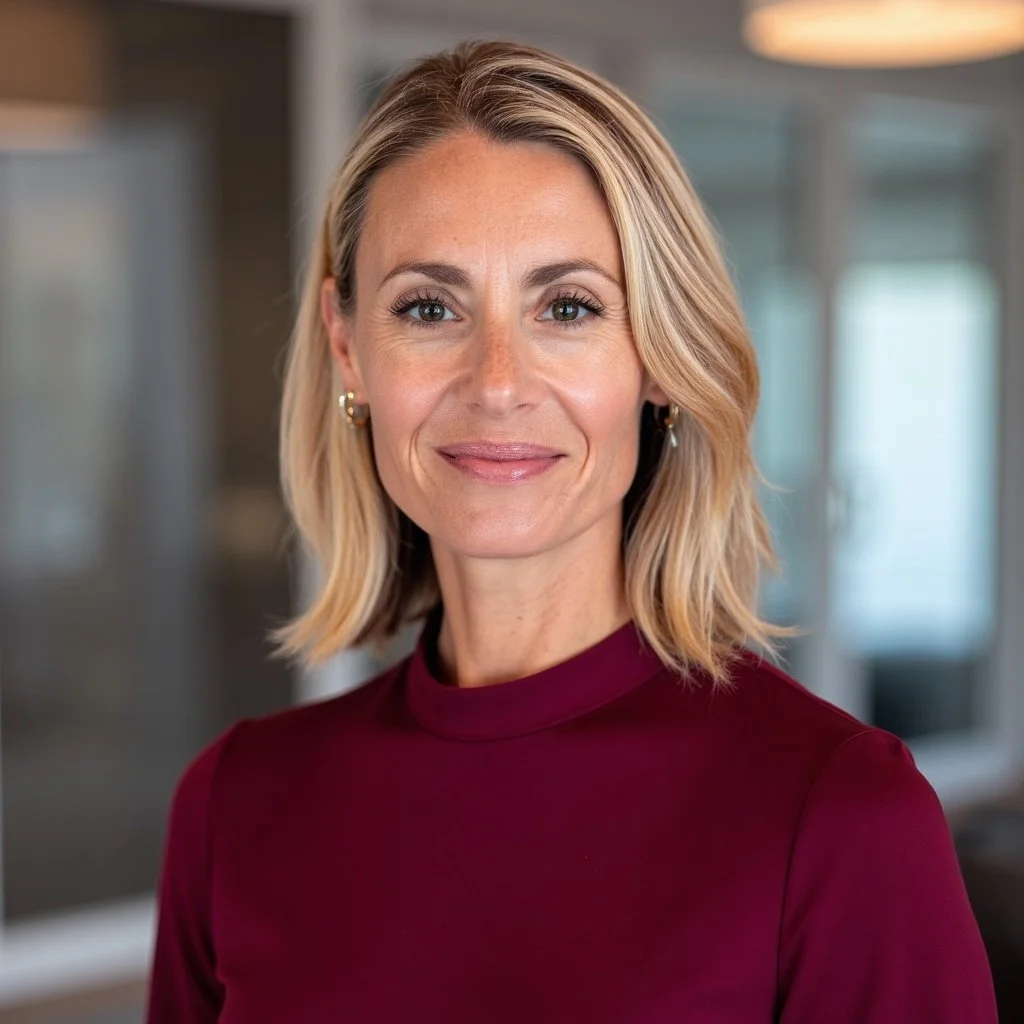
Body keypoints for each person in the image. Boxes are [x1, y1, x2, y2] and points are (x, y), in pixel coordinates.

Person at [145, 39, 997, 1023]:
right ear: (348, 348)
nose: (497, 381)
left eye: (568, 306)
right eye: (429, 306)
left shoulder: (842, 814)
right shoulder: (235, 803)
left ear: (660, 359)